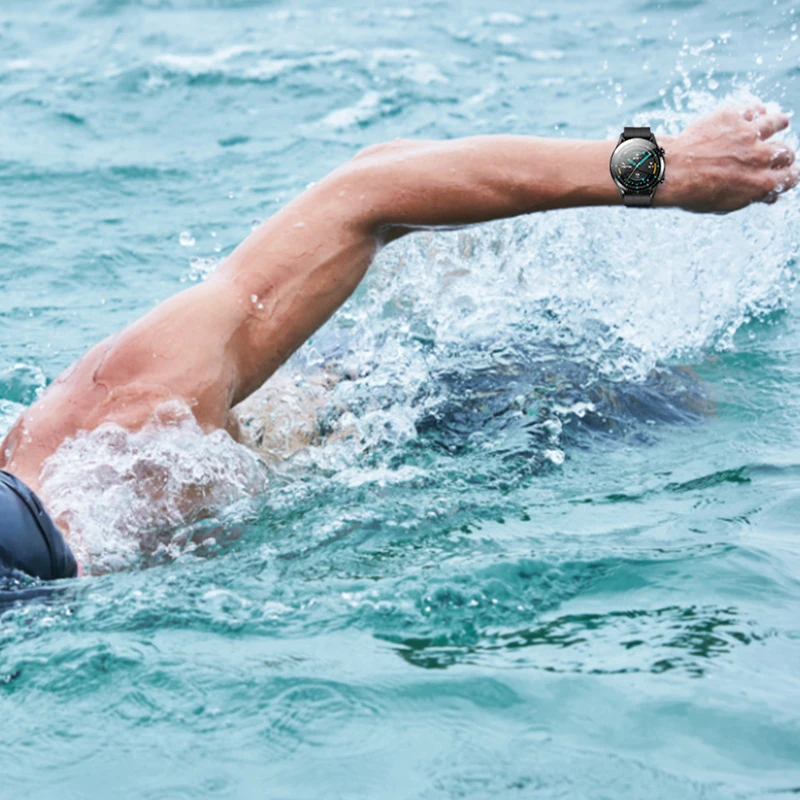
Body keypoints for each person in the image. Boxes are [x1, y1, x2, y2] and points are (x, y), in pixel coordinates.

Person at [0, 102, 796, 582]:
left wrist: (664, 166)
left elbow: (375, 184)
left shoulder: (123, 420)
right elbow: (372, 185)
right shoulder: (115, 446)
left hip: (430, 414)